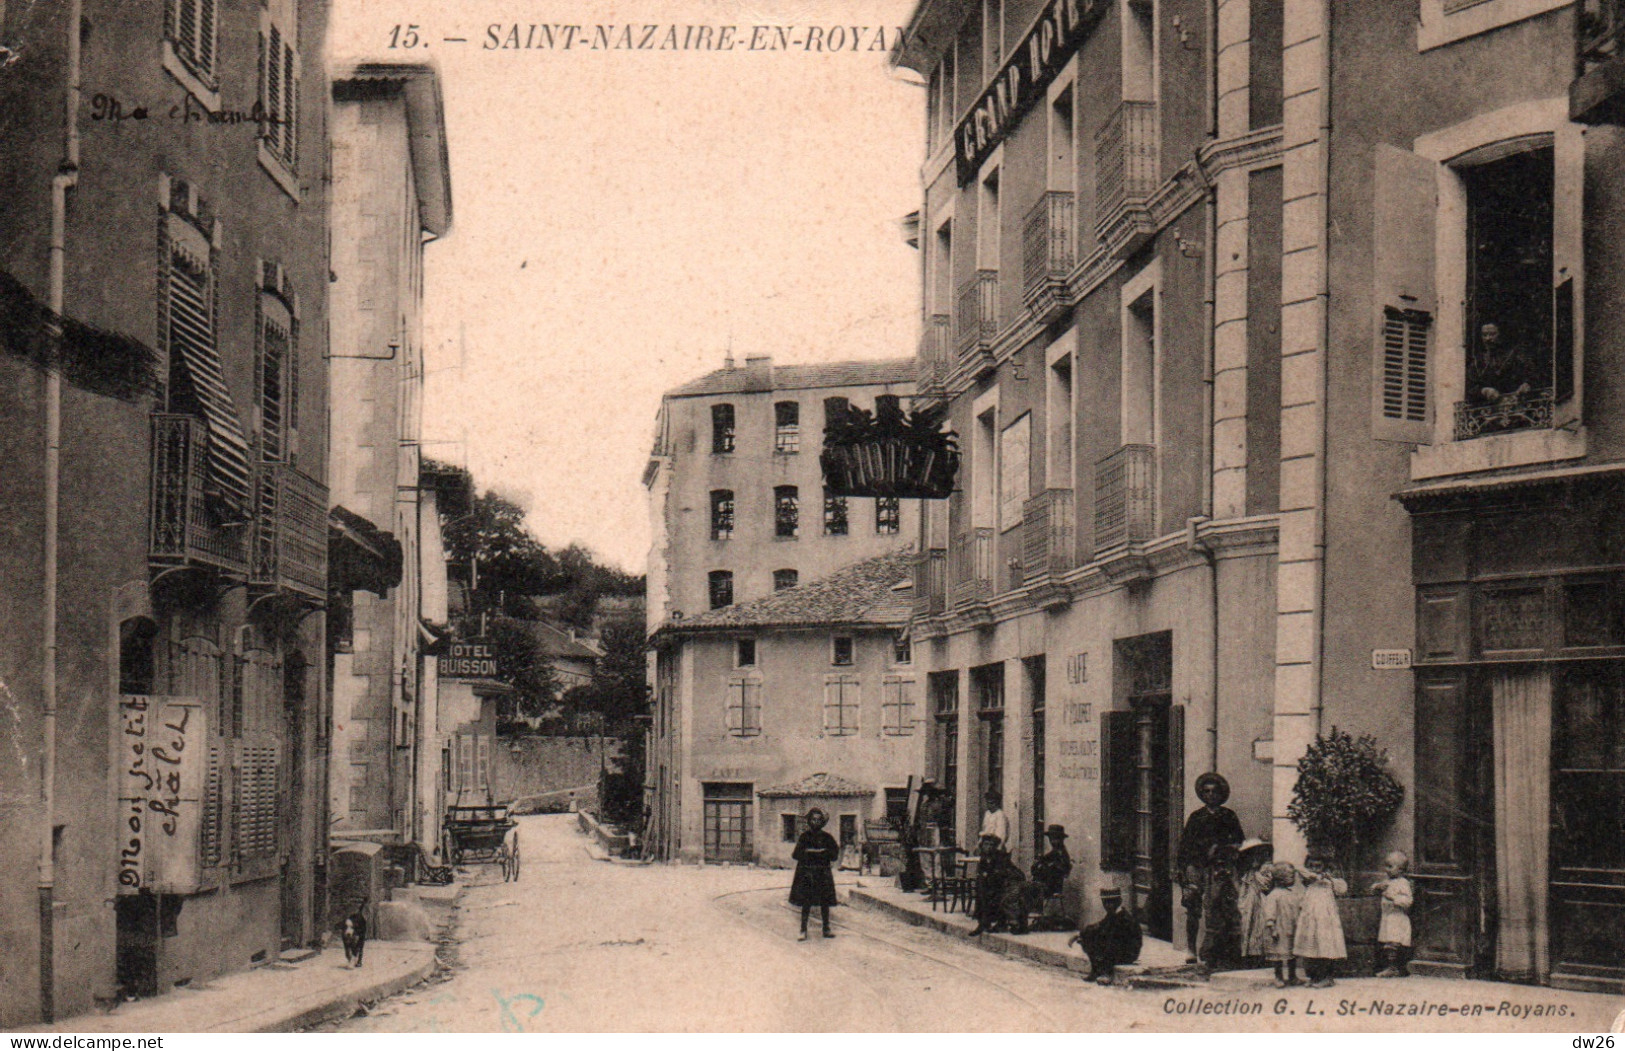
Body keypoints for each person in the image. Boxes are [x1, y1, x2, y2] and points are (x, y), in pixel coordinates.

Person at [1176, 772, 1244, 964]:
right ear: (1202, 794)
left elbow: (1239, 841)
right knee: (1193, 907)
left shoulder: (1228, 816)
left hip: (1219, 867)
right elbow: (1185, 845)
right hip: (1197, 867)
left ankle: (1214, 950)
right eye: (1206, 792)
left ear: (1221, 794)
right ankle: (1190, 949)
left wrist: (1223, 849)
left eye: (1215, 791)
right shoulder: (1196, 817)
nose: (1211, 795)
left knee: (1217, 907)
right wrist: (1184, 870)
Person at [1294, 854, 1348, 988]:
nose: (1314, 869)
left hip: (1325, 921)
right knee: (1311, 946)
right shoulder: (1309, 881)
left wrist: (1331, 878)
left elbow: (1342, 889)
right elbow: (1299, 870)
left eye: (1318, 866)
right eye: (1311, 866)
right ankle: (1314, 977)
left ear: (1325, 867)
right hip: (1310, 920)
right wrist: (1310, 874)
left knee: (1325, 946)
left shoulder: (1329, 882)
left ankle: (1327, 977)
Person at [1070, 887, 1142, 984]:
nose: (1108, 906)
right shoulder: (1111, 915)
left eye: (1112, 902)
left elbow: (1115, 939)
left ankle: (1107, 973)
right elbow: (1098, 926)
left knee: (1105, 941)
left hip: (1128, 952)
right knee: (1089, 938)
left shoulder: (1124, 918)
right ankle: (1096, 971)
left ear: (1119, 902)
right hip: (1116, 948)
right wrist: (1081, 934)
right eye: (1106, 903)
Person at [790, 808, 840, 941]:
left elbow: (834, 854)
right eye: (813, 819)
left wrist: (824, 853)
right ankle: (802, 930)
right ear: (809, 821)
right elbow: (795, 855)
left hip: (823, 874)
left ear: (822, 822)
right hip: (807, 873)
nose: (816, 822)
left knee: (825, 902)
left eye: (819, 820)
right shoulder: (804, 837)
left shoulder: (827, 837)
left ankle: (826, 929)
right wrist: (809, 853)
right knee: (806, 902)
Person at [1200, 842, 1243, 971]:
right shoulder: (1211, 872)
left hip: (1229, 903)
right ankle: (1212, 959)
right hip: (1216, 903)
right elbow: (1211, 891)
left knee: (1230, 929)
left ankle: (1227, 958)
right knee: (1215, 929)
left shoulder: (1232, 870)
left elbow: (1236, 887)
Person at [1371, 850, 1414, 978]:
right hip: (1387, 918)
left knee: (1394, 943)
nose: (1386, 870)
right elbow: (1374, 888)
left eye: (1390, 866)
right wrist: (1377, 888)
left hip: (1397, 918)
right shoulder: (1387, 881)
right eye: (1386, 866)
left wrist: (1393, 898)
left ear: (1401, 870)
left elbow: (1408, 901)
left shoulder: (1403, 883)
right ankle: (1390, 967)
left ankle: (1394, 967)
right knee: (1387, 943)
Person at [1261, 863, 1303, 988]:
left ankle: (1292, 976)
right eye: (1290, 875)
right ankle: (1278, 977)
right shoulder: (1274, 895)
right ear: (1280, 877)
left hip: (1291, 928)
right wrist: (1271, 926)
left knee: (1291, 954)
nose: (1294, 878)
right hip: (1279, 930)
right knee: (1278, 955)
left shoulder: (1292, 894)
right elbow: (1270, 912)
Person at [1237, 843, 1275, 964]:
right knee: (1249, 926)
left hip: (1262, 900)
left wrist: (1256, 875)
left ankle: (1261, 957)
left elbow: (1266, 884)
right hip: (1250, 902)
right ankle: (1250, 957)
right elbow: (1243, 889)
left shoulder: (1267, 868)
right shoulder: (1250, 871)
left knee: (1260, 928)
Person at [1031, 824, 1073, 899]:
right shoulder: (1053, 853)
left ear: (1061, 839)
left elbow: (1063, 871)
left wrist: (1044, 866)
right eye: (1051, 838)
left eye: (1056, 838)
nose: (1053, 841)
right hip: (1044, 885)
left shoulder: (1062, 854)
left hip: (1052, 888)